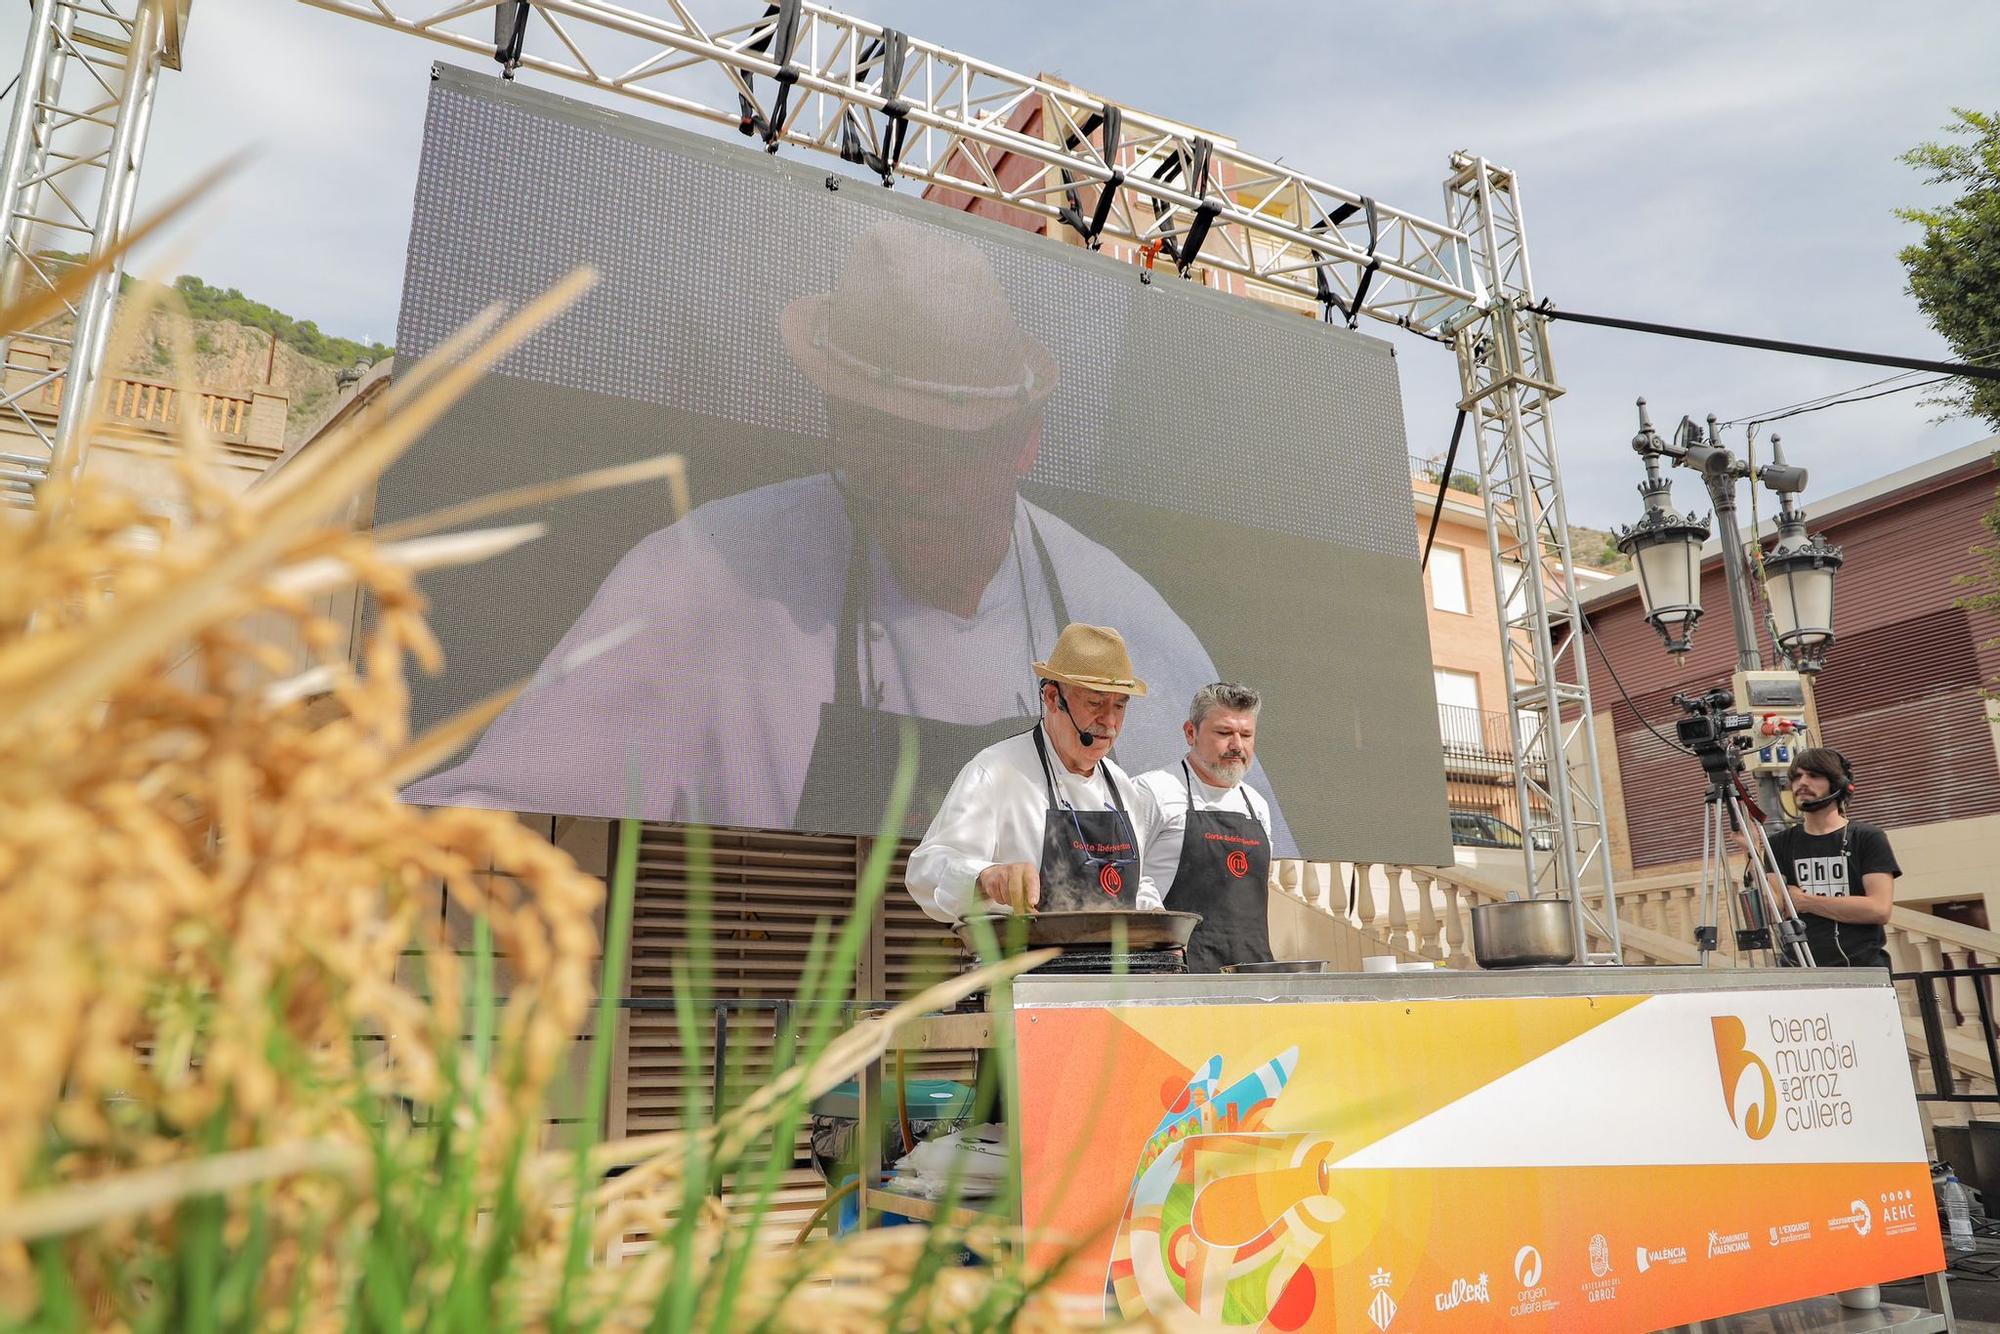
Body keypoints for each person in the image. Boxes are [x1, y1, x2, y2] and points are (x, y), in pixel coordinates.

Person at [403, 220, 1293, 849]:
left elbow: (1254, 866)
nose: (911, 482)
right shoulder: (707, 579)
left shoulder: (1126, 620)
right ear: (835, 419)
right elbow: (484, 827)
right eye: (879, 436)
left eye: (950, 452)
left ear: (1027, 442)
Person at [905, 624, 1162, 922]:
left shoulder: (1122, 787)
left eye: (1119, 706)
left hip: (1110, 967)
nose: (1110, 722)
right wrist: (985, 877)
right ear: (1052, 698)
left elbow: (1135, 884)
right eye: (1095, 702)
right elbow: (925, 870)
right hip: (1022, 964)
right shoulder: (996, 772)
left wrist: (1155, 916)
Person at [1133, 683, 1274, 973]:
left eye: (1246, 735)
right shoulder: (1152, 791)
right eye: (1224, 733)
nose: (1237, 745)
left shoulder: (1257, 806)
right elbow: (1127, 877)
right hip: (1175, 973)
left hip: (1251, 972)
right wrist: (1158, 924)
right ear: (1190, 732)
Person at [1743, 747, 1900, 969]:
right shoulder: (1779, 843)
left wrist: (1805, 902)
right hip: (1799, 972)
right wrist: (1751, 849)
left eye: (1814, 775)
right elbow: (1773, 909)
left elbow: (1879, 909)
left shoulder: (1867, 837)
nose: (1802, 782)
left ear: (1839, 784)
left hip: (1862, 971)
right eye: (1796, 777)